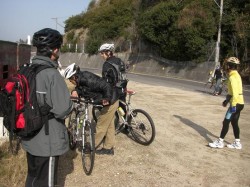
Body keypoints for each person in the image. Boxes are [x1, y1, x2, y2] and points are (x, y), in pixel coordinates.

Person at [21, 28, 73, 186]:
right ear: (55, 50)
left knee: (33, 177)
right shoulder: (51, 74)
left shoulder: (26, 69)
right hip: (47, 140)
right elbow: (63, 108)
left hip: (29, 134)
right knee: (46, 182)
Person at [93, 43, 124, 155]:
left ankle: (91, 146)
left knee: (101, 122)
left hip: (111, 97)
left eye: (102, 53)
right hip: (119, 94)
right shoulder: (120, 61)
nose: (101, 55)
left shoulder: (107, 64)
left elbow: (106, 84)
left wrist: (101, 96)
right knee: (110, 122)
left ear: (108, 52)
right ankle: (108, 148)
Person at [209, 57, 244, 149]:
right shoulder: (236, 75)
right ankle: (237, 143)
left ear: (229, 66)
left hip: (235, 103)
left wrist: (233, 106)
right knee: (234, 122)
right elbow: (232, 92)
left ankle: (220, 142)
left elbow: (235, 93)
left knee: (226, 122)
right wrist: (226, 100)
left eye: (227, 65)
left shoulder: (232, 77)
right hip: (240, 103)